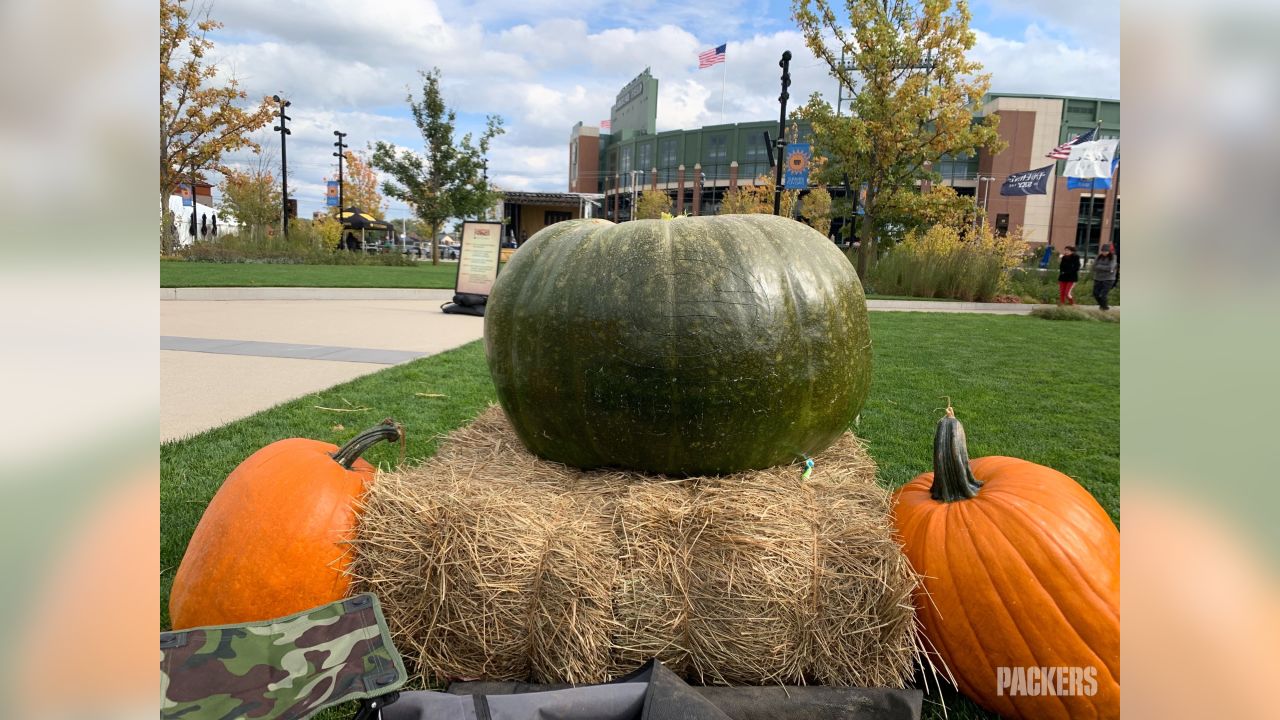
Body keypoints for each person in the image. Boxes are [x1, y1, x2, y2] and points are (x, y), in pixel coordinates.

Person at [1092, 244, 1117, 310]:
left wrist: (1099, 266)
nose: (1104, 253)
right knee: (1095, 293)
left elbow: (1110, 267)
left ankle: (1104, 307)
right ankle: (1103, 306)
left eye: (1106, 251)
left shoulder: (1113, 257)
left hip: (1108, 279)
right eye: (1103, 251)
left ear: (1109, 251)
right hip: (1098, 278)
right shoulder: (1098, 257)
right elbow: (1094, 267)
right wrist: (1104, 268)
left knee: (1103, 295)